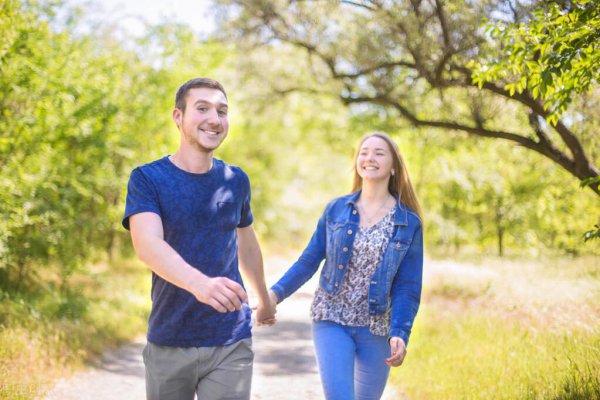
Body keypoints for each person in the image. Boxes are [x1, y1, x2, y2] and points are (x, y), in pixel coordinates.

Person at [122, 77, 276, 400]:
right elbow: (147, 245)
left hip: (229, 340)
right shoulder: (148, 179)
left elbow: (247, 243)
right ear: (178, 117)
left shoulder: (235, 180)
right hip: (169, 339)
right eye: (202, 108)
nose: (214, 119)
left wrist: (263, 298)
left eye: (222, 111)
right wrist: (201, 285)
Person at [268, 132, 424, 400]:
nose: (369, 157)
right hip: (332, 318)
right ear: (357, 161)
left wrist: (400, 333)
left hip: (377, 327)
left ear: (394, 166)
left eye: (379, 152)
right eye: (364, 152)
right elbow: (308, 261)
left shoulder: (408, 222)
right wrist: (274, 294)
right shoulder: (337, 209)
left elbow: (407, 287)